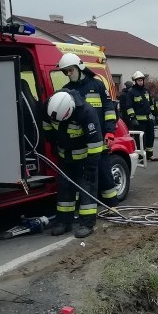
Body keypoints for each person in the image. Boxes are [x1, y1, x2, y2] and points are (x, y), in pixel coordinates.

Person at [57, 52, 120, 205]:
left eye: (70, 70)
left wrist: (110, 132)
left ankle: (111, 205)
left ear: (79, 67)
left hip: (100, 139)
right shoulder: (66, 90)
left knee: (104, 172)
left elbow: (109, 110)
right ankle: (85, 205)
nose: (68, 74)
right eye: (66, 71)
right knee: (82, 176)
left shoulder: (97, 85)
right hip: (80, 142)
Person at [42, 90, 104, 238]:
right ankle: (64, 222)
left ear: (71, 109)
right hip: (65, 157)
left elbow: (95, 143)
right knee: (64, 189)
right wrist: (53, 142)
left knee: (86, 190)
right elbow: (47, 126)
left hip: (84, 158)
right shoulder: (49, 108)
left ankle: (87, 224)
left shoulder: (86, 112)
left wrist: (90, 166)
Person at [121, 70, 158, 161]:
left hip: (149, 120)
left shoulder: (146, 91)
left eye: (142, 80)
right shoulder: (131, 92)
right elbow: (129, 106)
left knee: (150, 137)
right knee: (141, 139)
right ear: (135, 81)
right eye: (139, 80)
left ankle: (150, 155)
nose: (141, 82)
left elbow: (151, 104)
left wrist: (154, 115)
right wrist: (132, 117)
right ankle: (141, 155)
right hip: (139, 121)